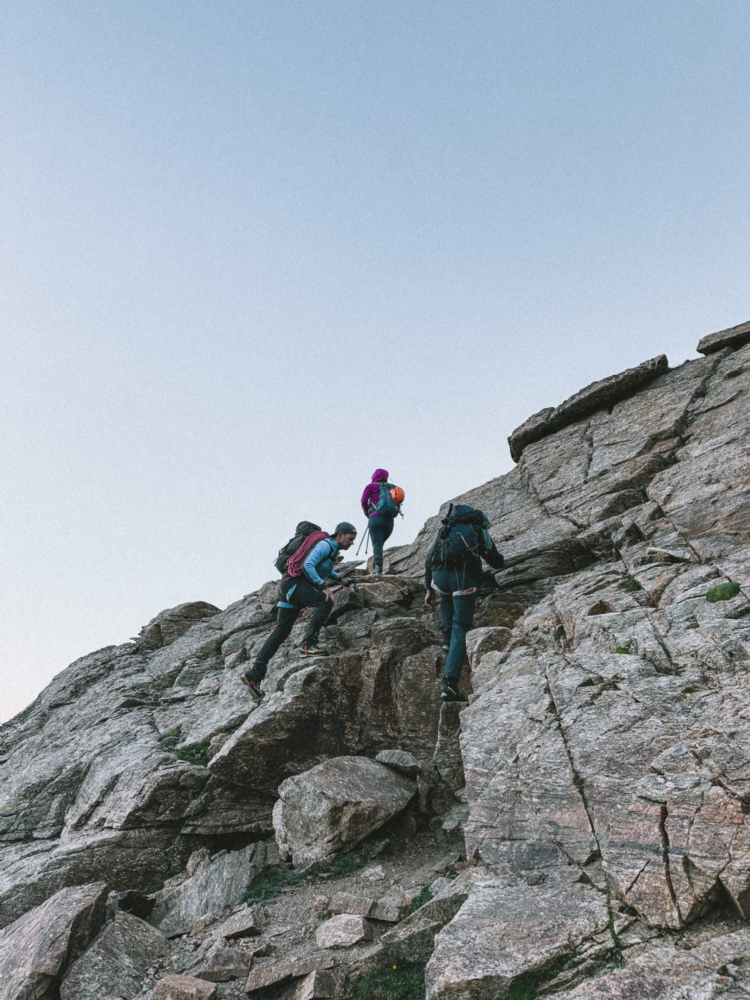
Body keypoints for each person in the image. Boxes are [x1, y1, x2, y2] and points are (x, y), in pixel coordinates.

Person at [241, 522, 357, 703]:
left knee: (282, 631)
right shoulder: (326, 545)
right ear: (340, 535)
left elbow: (322, 567)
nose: (351, 543)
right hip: (294, 585)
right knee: (325, 600)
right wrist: (323, 587)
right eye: (350, 539)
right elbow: (308, 565)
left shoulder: (330, 550)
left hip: (288, 586)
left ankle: (254, 674)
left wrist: (338, 578)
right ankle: (308, 645)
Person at [424, 505, 504, 702]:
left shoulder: (446, 529)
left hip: (439, 579)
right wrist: (499, 562)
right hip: (462, 579)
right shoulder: (476, 529)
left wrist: (428, 588)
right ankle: (450, 684)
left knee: (447, 595)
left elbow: (428, 559)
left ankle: (446, 637)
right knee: (462, 626)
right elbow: (494, 559)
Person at [361, 469, 401, 575]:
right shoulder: (392, 489)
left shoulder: (371, 486)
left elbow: (364, 501)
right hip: (389, 521)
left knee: (377, 544)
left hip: (375, 518)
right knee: (380, 544)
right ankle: (377, 566)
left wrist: (367, 513)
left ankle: (377, 568)